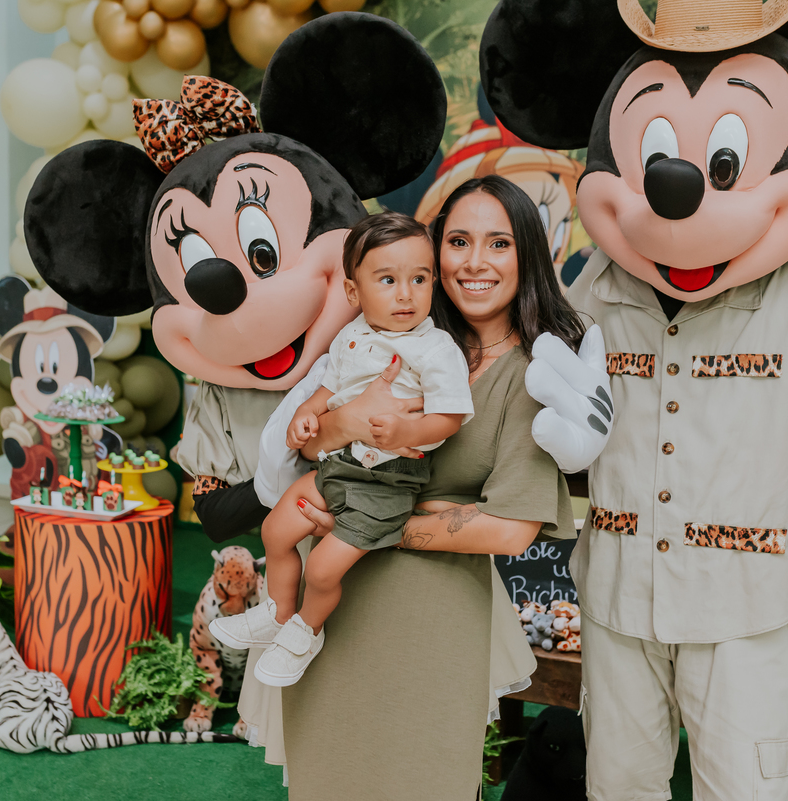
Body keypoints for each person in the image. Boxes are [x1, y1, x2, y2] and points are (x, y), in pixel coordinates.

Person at [237, 175, 587, 799]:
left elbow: (510, 528)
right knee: (326, 778)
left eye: (498, 243)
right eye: (458, 241)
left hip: (430, 620)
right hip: (331, 612)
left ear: (528, 255)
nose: (475, 262)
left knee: (419, 778)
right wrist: (346, 422)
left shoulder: (530, 376)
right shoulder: (393, 335)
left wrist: (364, 524)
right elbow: (309, 443)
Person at [210, 212, 474, 687]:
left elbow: (450, 417)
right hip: (339, 467)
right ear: (353, 292)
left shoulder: (435, 349)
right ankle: (277, 611)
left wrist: (406, 431)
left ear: (433, 283)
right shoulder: (350, 337)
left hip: (387, 482)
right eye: (388, 280)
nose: (405, 294)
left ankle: (306, 631)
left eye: (419, 279)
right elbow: (327, 390)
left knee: (323, 569)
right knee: (275, 530)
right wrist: (305, 414)